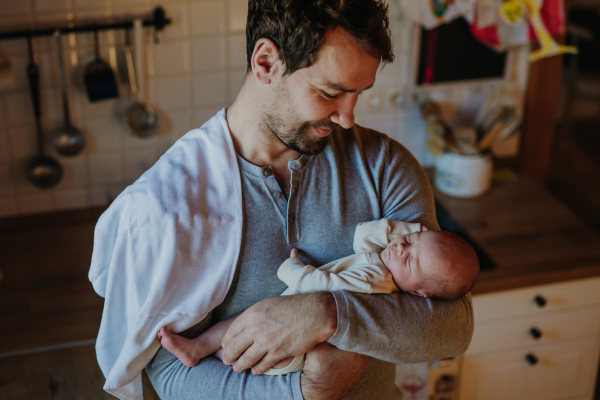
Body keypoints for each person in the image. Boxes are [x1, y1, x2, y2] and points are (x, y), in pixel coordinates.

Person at [90, 1, 475, 399]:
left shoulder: (384, 166)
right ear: (266, 63)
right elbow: (171, 371)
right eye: (331, 92)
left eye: (358, 94)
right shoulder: (170, 205)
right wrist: (306, 391)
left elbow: (452, 327)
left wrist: (328, 314)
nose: (347, 118)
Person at [155, 218, 479, 374]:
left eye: (409, 257)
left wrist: (290, 267)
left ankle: (206, 354)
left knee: (247, 331)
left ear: (417, 292)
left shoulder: (372, 280)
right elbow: (363, 235)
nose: (400, 247)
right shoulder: (382, 260)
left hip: (292, 349)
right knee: (245, 325)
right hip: (290, 323)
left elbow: (320, 289)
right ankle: (202, 351)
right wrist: (405, 232)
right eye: (408, 240)